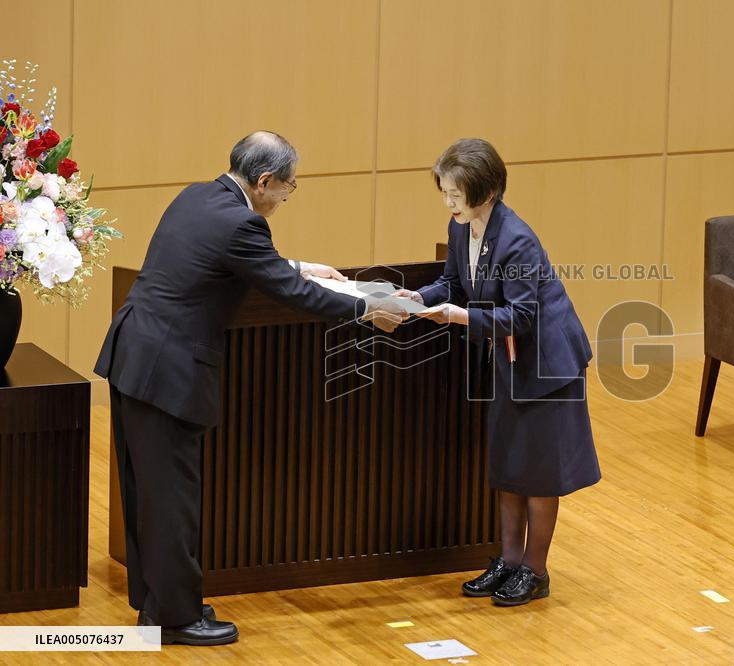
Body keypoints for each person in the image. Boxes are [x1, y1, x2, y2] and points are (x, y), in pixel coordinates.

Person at [94, 131, 406, 645]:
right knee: (172, 498)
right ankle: (174, 620)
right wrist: (366, 307)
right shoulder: (244, 222)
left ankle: (159, 604)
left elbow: (228, 259)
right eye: (288, 187)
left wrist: (300, 265)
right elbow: (289, 294)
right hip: (169, 370)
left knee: (147, 492)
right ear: (264, 182)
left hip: (136, 356)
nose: (286, 196)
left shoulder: (198, 194)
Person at [394, 138, 600, 606]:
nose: (447, 202)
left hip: (548, 363)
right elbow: (452, 281)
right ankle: (508, 561)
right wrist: (420, 299)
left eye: (454, 193)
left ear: (486, 193)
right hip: (508, 362)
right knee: (508, 463)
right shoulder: (461, 225)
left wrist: (458, 316)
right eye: (443, 191)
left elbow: (522, 316)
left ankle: (536, 570)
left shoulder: (517, 239)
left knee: (540, 472)